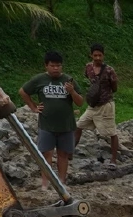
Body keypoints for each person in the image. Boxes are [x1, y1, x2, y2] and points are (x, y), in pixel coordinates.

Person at [19, 51, 84, 189]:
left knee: (63, 154)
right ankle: (45, 183)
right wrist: (33, 107)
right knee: (46, 154)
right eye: (53, 65)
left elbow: (80, 102)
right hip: (46, 124)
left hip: (66, 125)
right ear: (46, 66)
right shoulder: (39, 79)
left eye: (58, 65)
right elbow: (23, 91)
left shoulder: (69, 80)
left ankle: (61, 182)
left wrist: (72, 92)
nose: (56, 68)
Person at [75, 43, 119, 164]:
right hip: (93, 105)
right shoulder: (88, 68)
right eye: (95, 55)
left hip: (106, 105)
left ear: (103, 56)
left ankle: (113, 160)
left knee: (112, 132)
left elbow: (114, 88)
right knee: (79, 125)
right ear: (91, 55)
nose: (98, 58)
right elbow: (89, 79)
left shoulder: (109, 70)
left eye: (100, 55)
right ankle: (69, 153)